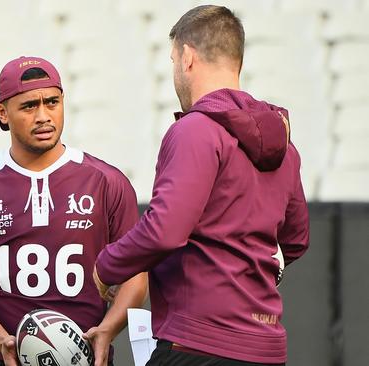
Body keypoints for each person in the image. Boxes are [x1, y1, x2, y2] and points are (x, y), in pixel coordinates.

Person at [93, 5, 310, 366]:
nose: (175, 70)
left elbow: (165, 230)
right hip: (266, 349)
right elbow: (295, 241)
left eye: (173, 59)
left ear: (188, 57)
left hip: (197, 345)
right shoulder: (286, 146)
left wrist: (107, 266)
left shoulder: (195, 130)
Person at [0, 56, 148, 366]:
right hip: (3, 358)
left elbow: (136, 275)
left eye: (52, 102)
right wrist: (2, 340)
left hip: (87, 357)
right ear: (2, 113)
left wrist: (108, 330)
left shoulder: (106, 181)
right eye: (29, 106)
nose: (43, 116)